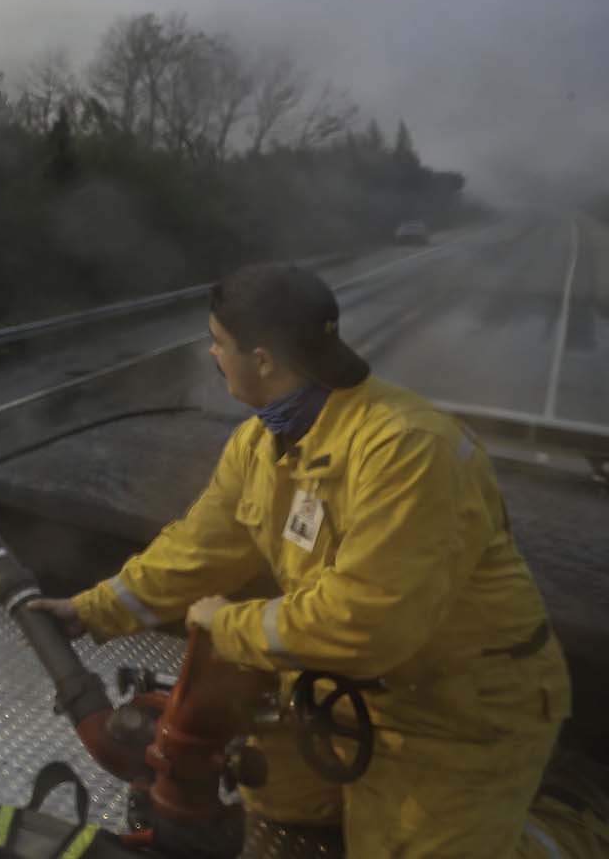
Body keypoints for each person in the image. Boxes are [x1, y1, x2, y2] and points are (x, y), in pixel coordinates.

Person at [28, 262, 574, 858]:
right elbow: (198, 549)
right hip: (344, 695)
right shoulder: (261, 444)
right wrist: (92, 611)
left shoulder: (407, 450)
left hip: (455, 716)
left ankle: (569, 831)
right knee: (276, 797)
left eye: (218, 343)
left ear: (261, 359)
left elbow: (368, 621)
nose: (212, 354)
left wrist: (223, 626)